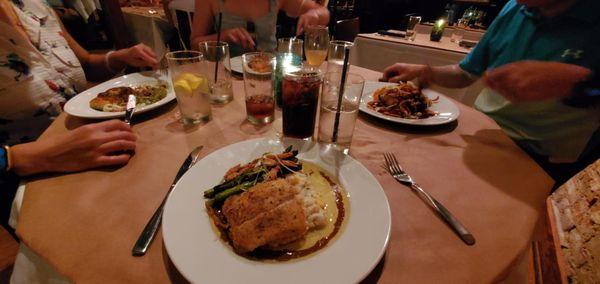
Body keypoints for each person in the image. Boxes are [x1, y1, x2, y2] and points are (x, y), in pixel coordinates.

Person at [381, 0, 600, 185]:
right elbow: (465, 73)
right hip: (478, 136)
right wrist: (426, 71)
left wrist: (576, 81)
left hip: (542, 161)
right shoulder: (514, 8)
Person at [0, 0, 158, 230]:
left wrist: (118, 58)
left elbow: (85, 63)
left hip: (96, 146)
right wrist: (21, 158)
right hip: (30, 181)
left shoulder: (35, 6)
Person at [190, 0, 330, 55]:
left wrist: (315, 14)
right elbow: (195, 44)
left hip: (269, 75)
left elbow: (324, 13)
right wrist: (223, 37)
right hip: (226, 78)